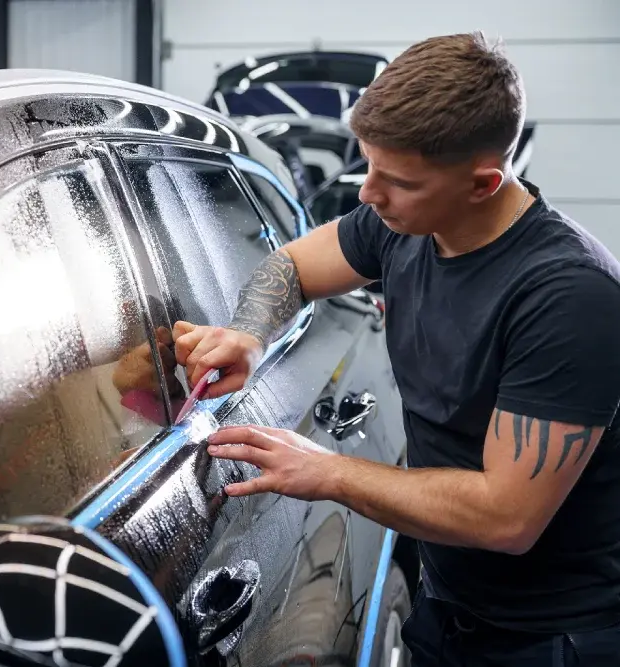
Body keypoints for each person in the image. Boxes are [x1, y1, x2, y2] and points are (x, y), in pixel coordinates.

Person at [173, 31, 620, 665]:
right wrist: (248, 334)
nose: (366, 192)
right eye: (368, 164)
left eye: (397, 179)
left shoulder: (568, 296)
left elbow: (506, 519)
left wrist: (326, 471)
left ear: (482, 184)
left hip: (554, 637)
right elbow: (293, 267)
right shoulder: (405, 226)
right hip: (451, 609)